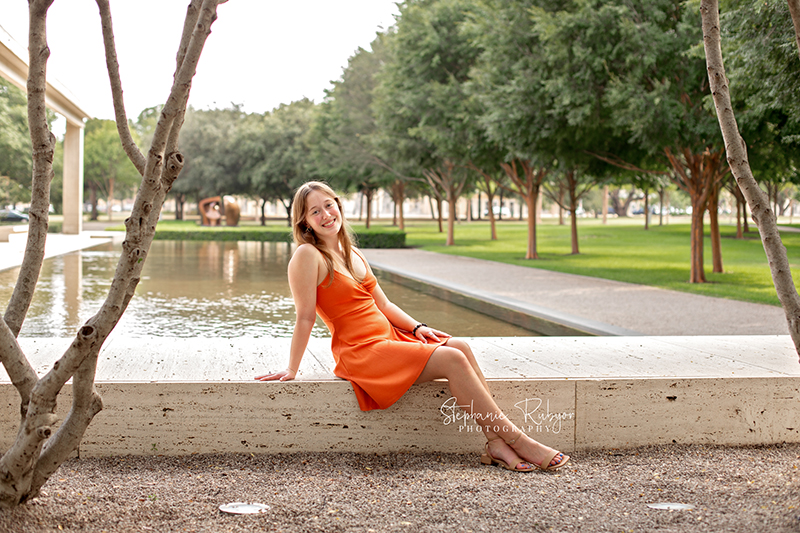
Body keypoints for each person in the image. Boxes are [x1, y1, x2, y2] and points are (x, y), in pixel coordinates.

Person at [255, 181, 569, 472]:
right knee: (453, 359)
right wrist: (292, 368)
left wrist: (418, 328)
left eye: (329, 205)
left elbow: (384, 305)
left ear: (338, 205)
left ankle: (497, 442)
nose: (326, 214)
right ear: (304, 221)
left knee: (460, 346)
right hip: (361, 350)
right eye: (315, 211)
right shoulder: (307, 255)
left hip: (387, 337)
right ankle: (516, 439)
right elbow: (305, 316)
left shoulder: (350, 252)